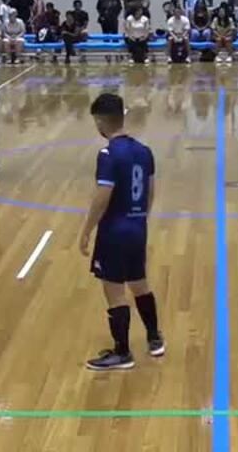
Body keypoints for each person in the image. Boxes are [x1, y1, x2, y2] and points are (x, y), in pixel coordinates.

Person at [77, 92, 163, 370]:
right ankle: (154, 338)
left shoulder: (107, 154)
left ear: (101, 121)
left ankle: (122, 352)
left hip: (114, 230)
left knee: (114, 291)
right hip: (138, 227)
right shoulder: (144, 151)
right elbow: (150, 192)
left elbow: (103, 195)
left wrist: (86, 229)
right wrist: (140, 219)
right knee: (139, 283)